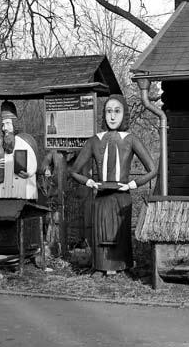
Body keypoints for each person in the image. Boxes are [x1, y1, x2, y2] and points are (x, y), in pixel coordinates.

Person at [70, 94, 158, 274]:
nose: (112, 116)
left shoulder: (131, 139)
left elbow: (152, 169)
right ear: (104, 114)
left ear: (124, 114)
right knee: (101, 234)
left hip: (122, 198)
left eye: (117, 111)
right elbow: (74, 170)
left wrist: (132, 184)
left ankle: (122, 265)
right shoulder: (95, 140)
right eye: (109, 111)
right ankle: (100, 265)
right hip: (101, 197)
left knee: (120, 234)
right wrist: (89, 182)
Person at [0, 100, 39, 200]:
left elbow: (33, 162)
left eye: (8, 123)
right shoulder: (1, 145)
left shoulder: (25, 141)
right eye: (3, 124)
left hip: (21, 189)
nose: (5, 128)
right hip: (3, 190)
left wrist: (29, 173)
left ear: (14, 124)